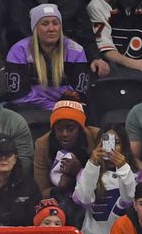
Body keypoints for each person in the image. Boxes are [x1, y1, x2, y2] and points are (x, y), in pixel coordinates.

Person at [0, 0, 108, 78]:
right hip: (23, 66)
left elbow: (85, 34)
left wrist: (95, 58)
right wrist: (0, 66)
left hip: (64, 67)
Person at [5, 4, 90, 111]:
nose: (51, 29)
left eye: (55, 23)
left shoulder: (76, 51)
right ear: (35, 28)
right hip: (30, 110)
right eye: (45, 24)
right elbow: (18, 96)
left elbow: (78, 94)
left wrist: (56, 104)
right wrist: (52, 106)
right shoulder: (19, 50)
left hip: (66, 109)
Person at [72, 124, 137, 234]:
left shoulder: (135, 176)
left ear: (124, 147)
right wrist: (92, 163)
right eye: (106, 143)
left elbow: (130, 198)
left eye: (117, 143)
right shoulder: (87, 173)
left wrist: (123, 167)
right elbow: (84, 198)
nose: (111, 148)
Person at [33, 97, 98, 227]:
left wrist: (79, 173)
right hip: (58, 202)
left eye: (70, 128)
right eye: (59, 128)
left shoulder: (97, 137)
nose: (64, 134)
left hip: (93, 198)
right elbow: (40, 190)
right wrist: (60, 187)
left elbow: (107, 181)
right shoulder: (42, 144)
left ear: (80, 128)